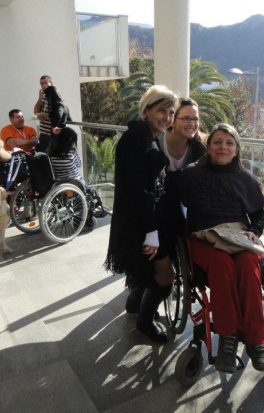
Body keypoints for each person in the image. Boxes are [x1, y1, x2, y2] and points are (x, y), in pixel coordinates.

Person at [178, 123, 264, 373]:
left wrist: (253, 233)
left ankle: (256, 341)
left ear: (236, 150)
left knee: (246, 264)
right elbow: (175, 205)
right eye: (217, 142)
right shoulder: (192, 174)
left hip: (236, 236)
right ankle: (228, 339)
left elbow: (259, 217)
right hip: (202, 237)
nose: (223, 147)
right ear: (208, 146)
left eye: (229, 143)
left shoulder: (245, 177)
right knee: (221, 264)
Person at [105, 85, 179, 343]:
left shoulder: (143, 136)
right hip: (140, 222)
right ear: (146, 110)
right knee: (165, 275)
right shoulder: (138, 140)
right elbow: (139, 190)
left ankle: (136, 304)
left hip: (137, 218)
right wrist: (151, 231)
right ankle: (145, 323)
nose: (167, 118)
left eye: (171, 113)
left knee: (145, 272)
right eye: (162, 111)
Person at [124, 98, 206, 316]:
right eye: (186, 118)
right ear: (173, 120)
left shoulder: (198, 148)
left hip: (174, 205)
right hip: (150, 204)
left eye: (195, 119)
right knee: (148, 239)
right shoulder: (155, 141)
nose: (192, 123)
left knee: (175, 233)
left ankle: (150, 289)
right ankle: (138, 287)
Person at [33, 75, 54, 152]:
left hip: (51, 134)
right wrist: (40, 99)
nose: (44, 85)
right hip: (43, 133)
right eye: (42, 84)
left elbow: (59, 113)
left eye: (46, 82)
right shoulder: (44, 96)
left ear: (51, 83)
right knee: (40, 156)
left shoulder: (55, 96)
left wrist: (47, 118)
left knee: (50, 156)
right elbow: (35, 111)